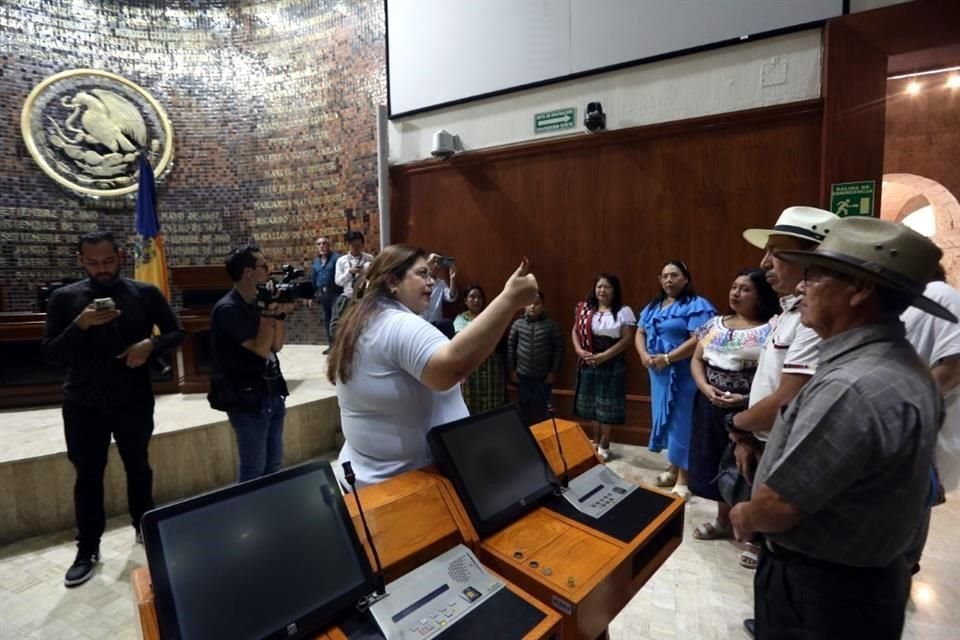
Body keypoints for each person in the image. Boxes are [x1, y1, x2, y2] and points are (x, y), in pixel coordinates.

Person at [729, 217, 955, 640]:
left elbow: (780, 506)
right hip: (865, 584)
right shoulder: (906, 368)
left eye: (814, 275)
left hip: (822, 592)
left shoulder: (851, 386)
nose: (801, 287)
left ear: (861, 289)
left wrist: (743, 514)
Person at [41, 230, 184, 587]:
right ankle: (88, 548)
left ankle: (145, 529)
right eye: (92, 263)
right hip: (82, 402)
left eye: (107, 261)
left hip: (133, 398)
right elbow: (50, 355)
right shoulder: (64, 299)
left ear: (119, 256)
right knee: (87, 476)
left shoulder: (143, 292)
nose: (101, 269)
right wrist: (80, 324)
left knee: (138, 467)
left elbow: (177, 333)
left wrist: (149, 345)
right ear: (80, 261)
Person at [328, 245, 538, 487]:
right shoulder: (396, 322)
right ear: (392, 282)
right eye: (422, 274)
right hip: (402, 485)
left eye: (431, 274)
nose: (431, 282)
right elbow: (450, 369)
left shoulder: (368, 317)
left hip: (375, 473)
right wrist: (509, 300)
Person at [728, 205, 838, 636]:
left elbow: (788, 397)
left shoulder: (815, 323)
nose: (763, 263)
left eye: (778, 253)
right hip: (767, 440)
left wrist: (737, 423)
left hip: (786, 447)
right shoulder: (792, 312)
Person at [689, 269, 778, 539]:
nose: (735, 293)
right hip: (709, 404)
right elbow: (696, 360)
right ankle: (722, 520)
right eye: (734, 286)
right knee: (715, 461)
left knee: (748, 467)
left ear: (761, 295)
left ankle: (753, 532)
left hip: (749, 406)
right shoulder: (714, 324)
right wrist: (706, 388)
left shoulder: (772, 327)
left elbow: (774, 374)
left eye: (745, 289)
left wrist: (745, 399)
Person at [208, 244, 295, 483]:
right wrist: (269, 313)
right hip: (247, 400)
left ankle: (268, 515)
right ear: (248, 272)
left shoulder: (258, 302)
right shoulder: (228, 309)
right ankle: (250, 519)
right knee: (253, 471)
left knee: (273, 464)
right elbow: (260, 349)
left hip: (271, 392)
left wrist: (279, 313)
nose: (269, 270)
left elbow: (276, 346)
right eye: (264, 266)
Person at [636, 261, 715, 498]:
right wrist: (643, 355)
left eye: (674, 275)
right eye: (664, 276)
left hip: (684, 374)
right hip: (658, 374)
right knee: (667, 420)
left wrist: (669, 358)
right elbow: (640, 331)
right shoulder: (654, 306)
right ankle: (673, 467)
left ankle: (684, 477)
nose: (669, 280)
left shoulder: (697, 305)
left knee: (683, 423)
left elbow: (702, 337)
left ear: (686, 279)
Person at [572, 273, 637, 461]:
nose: (602, 290)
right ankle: (594, 437)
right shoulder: (585, 309)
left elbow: (627, 339)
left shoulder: (623, 311)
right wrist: (578, 350)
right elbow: (575, 331)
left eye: (607, 287)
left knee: (607, 404)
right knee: (592, 402)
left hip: (612, 361)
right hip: (589, 360)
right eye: (599, 286)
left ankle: (605, 441)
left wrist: (604, 356)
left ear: (614, 290)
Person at [508, 290, 564, 426]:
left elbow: (559, 349)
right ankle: (525, 436)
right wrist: (512, 370)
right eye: (529, 303)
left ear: (543, 305)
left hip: (543, 377)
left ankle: (542, 437)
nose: (533, 306)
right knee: (524, 408)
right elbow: (510, 347)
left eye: (537, 303)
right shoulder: (517, 324)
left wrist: (553, 371)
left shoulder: (551, 325)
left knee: (543, 409)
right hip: (523, 376)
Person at [455, 285, 508, 414]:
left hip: (491, 369)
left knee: (492, 406)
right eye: (472, 297)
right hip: (472, 368)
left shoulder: (490, 316)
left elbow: (496, 337)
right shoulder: (460, 319)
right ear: (465, 300)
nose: (476, 300)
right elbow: (464, 341)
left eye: (479, 297)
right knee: (473, 405)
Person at [330, 231, 374, 341]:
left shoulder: (369, 258)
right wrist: (350, 273)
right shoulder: (341, 261)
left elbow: (375, 278)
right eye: (353, 245)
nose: (356, 248)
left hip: (364, 297)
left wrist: (366, 273)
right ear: (347, 245)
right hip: (348, 296)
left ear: (363, 245)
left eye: (359, 245)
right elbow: (338, 281)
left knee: (364, 326)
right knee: (342, 326)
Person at [311, 236, 341, 354]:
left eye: (324, 243)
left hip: (335, 293)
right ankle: (331, 346)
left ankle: (339, 346)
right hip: (323, 295)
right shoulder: (316, 262)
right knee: (327, 320)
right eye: (319, 244)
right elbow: (314, 278)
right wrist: (313, 295)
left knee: (336, 320)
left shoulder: (337, 259)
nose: (321, 246)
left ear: (329, 245)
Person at [420, 252, 458, 324]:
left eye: (439, 263)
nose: (436, 265)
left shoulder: (441, 283)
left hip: (436, 324)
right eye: (433, 262)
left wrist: (452, 278)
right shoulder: (419, 279)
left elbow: (451, 298)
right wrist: (427, 264)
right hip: (420, 322)